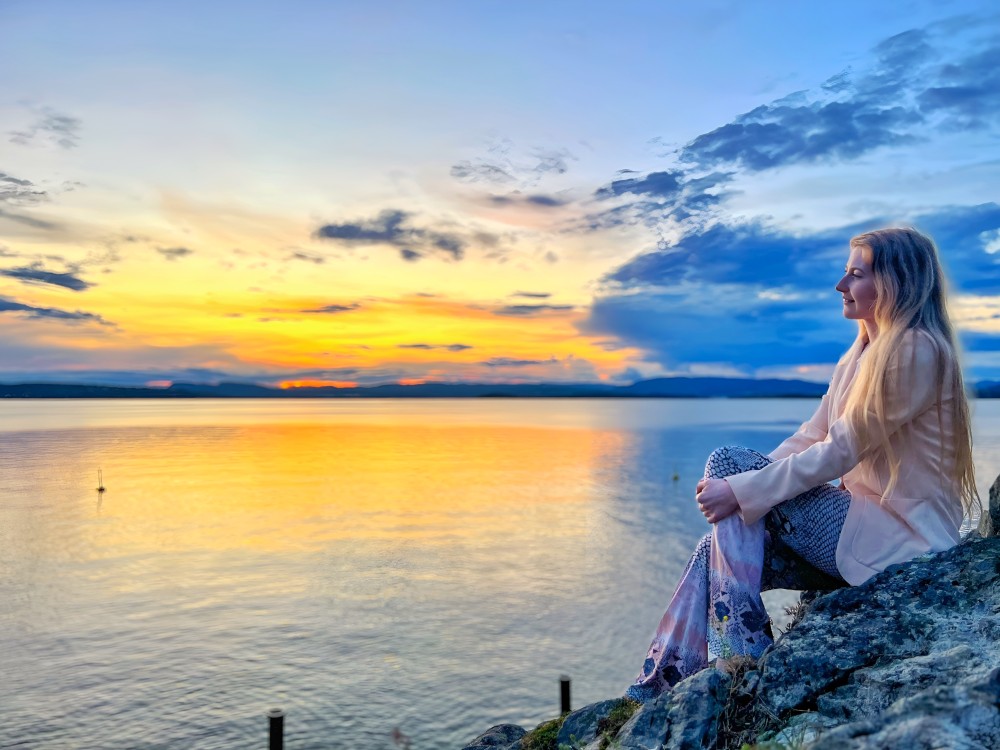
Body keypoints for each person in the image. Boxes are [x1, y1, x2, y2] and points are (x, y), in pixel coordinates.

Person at [625, 227, 980, 703]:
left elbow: (840, 450)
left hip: (902, 541)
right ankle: (662, 682)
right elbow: (812, 435)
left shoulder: (916, 349)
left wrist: (742, 487)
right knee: (710, 545)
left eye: (855, 274)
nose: (840, 285)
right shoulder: (859, 353)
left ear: (896, 281)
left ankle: (741, 649)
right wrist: (748, 490)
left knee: (727, 462)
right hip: (860, 533)